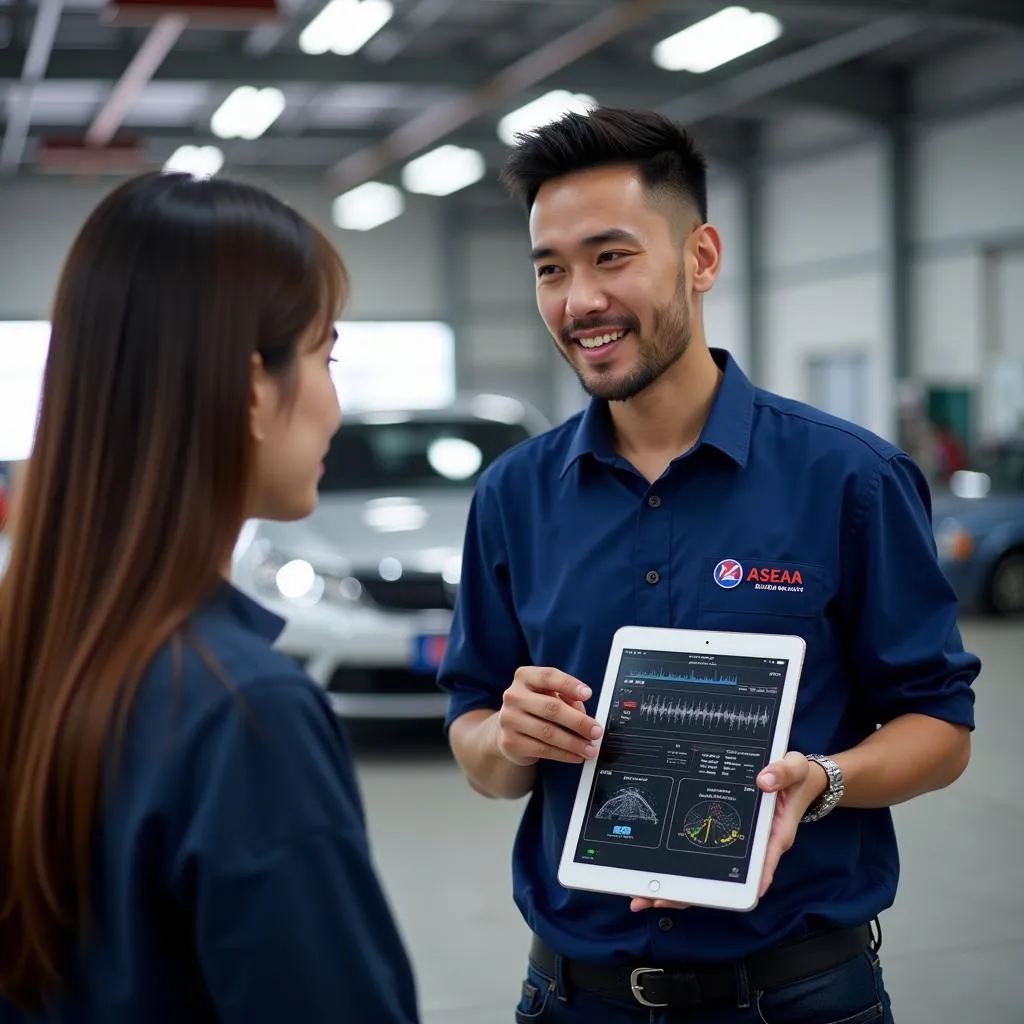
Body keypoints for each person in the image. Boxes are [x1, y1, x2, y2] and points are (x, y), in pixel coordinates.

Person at [437, 107, 980, 1023]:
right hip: (573, 994)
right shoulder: (513, 496)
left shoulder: (849, 478)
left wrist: (824, 780)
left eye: (612, 257)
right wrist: (507, 737)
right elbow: (478, 747)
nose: (579, 303)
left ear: (700, 258)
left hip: (797, 992)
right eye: (551, 270)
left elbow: (941, 726)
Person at [0, 172, 419, 1023]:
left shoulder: (32, 658)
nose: (336, 406)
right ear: (251, 390)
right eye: (324, 357)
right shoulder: (244, 716)